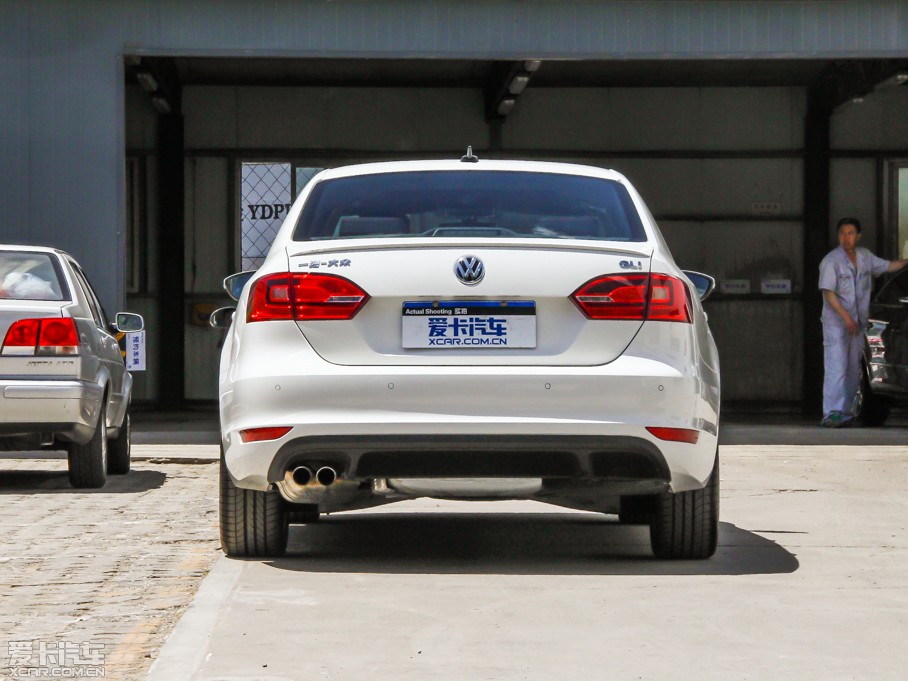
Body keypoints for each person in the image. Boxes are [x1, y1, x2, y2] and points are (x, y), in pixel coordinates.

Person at [818, 217, 908, 427]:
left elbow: (888, 266)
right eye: (842, 233)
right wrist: (847, 318)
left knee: (852, 369)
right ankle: (832, 412)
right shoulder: (831, 261)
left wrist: (906, 261)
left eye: (850, 233)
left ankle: (847, 413)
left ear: (858, 236)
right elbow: (828, 294)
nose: (846, 238)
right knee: (836, 367)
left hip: (858, 324)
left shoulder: (864, 257)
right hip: (837, 324)